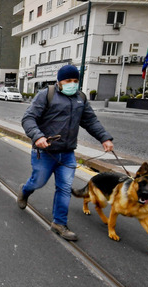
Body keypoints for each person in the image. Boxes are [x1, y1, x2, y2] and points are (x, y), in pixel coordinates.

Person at [18, 64, 114, 241]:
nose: (72, 84)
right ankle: (25, 191)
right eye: (68, 80)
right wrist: (38, 136)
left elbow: (90, 121)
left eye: (75, 81)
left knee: (64, 188)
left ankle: (59, 223)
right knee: (38, 182)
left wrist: (104, 138)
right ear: (59, 81)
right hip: (45, 152)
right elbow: (28, 118)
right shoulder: (46, 95)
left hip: (68, 153)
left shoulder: (81, 98)